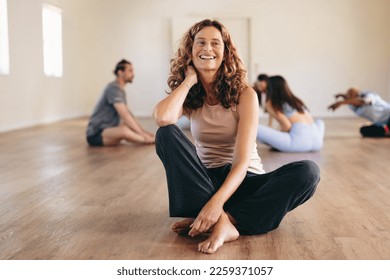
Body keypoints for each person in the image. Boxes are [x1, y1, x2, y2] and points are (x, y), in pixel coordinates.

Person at [153, 19, 320, 254]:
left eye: (215, 43)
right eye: (200, 42)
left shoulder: (245, 94)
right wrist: (189, 80)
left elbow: (241, 164)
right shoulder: (191, 95)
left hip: (243, 181)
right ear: (190, 51)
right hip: (205, 182)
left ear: (225, 52)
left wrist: (217, 204)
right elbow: (162, 118)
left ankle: (227, 221)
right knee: (166, 134)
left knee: (308, 172)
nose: (207, 49)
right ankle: (225, 218)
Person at [86, 59, 155, 146]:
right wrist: (144, 135)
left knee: (127, 125)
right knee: (124, 130)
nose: (133, 74)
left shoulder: (120, 90)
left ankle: (148, 138)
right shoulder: (113, 88)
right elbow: (125, 116)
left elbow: (129, 115)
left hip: (108, 131)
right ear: (120, 72)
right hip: (95, 134)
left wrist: (145, 131)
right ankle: (150, 140)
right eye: (130, 70)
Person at [257, 76, 325, 152]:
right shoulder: (296, 101)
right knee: (319, 122)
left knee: (255, 127)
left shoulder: (272, 104)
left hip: (298, 143)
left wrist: (277, 139)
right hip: (317, 142)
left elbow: (287, 126)